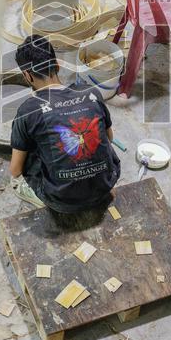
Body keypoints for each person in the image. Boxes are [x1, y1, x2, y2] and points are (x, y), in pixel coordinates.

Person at [9, 35, 120, 212]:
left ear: (27, 75)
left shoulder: (27, 110)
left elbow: (15, 170)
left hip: (63, 203)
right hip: (105, 186)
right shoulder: (90, 92)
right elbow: (109, 138)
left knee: (28, 149)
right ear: (58, 65)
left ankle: (40, 197)